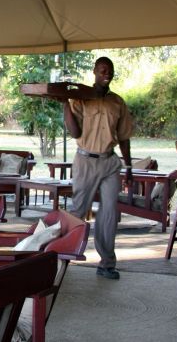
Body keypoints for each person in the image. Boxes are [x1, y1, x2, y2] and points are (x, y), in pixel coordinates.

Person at [62, 56, 133, 280]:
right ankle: (61, 256)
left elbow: (124, 137)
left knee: (110, 212)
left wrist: (128, 165)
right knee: (79, 210)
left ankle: (107, 264)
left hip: (110, 162)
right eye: (102, 70)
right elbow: (75, 133)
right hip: (85, 161)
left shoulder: (117, 102)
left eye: (110, 70)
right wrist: (65, 102)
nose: (107, 73)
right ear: (94, 71)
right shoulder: (81, 98)